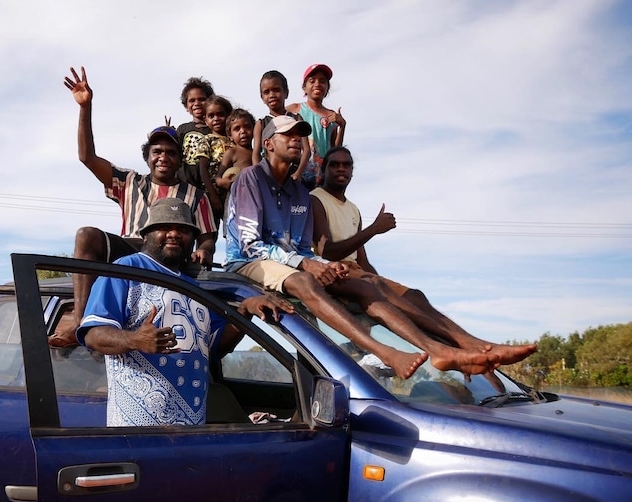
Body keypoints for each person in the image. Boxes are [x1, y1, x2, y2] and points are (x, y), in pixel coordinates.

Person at [226, 116, 503, 378]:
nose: (296, 140)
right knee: (305, 281)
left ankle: (438, 350)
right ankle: (384, 351)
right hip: (248, 262)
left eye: (300, 135)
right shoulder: (250, 179)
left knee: (365, 286)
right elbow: (250, 245)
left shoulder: (300, 193)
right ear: (268, 143)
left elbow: (301, 248)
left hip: (289, 264)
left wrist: (324, 266)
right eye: (288, 134)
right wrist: (307, 264)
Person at [310, 146, 537, 366]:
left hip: (356, 271)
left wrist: (386, 284)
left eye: (346, 165)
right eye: (335, 165)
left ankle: (466, 346)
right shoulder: (316, 199)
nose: (341, 169)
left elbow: (362, 260)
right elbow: (326, 251)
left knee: (415, 296)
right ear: (324, 170)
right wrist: (373, 229)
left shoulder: (353, 209)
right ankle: (465, 345)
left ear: (352, 171)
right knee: (380, 289)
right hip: (334, 270)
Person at [78, 198, 292, 426]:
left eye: (183, 230)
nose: (174, 234)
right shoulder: (126, 271)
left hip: (191, 432)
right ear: (146, 235)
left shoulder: (196, 288)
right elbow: (93, 334)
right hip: (137, 432)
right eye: (165, 227)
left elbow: (216, 346)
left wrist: (244, 311)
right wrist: (134, 340)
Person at [49, 66, 218, 348]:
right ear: (147, 157)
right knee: (86, 236)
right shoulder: (129, 182)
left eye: (170, 152)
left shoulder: (194, 195)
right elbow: (87, 157)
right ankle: (81, 321)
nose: (163, 156)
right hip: (132, 254)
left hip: (169, 257)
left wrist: (204, 249)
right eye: (157, 151)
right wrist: (85, 108)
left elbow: (208, 236)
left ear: (179, 159)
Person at [286, 64, 345, 190]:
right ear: (304, 87)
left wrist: (342, 126)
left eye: (322, 81)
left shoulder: (331, 116)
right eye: (312, 81)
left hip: (322, 177)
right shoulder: (295, 109)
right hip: (297, 173)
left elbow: (336, 149)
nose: (317, 84)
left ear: (327, 88)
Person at [252, 70, 309, 181]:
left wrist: (298, 173)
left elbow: (306, 149)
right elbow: (256, 153)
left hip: (293, 174)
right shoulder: (261, 124)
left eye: (276, 90)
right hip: (270, 174)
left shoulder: (296, 118)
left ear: (286, 93)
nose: (272, 95)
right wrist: (260, 176)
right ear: (262, 97)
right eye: (266, 92)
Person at [176, 76, 214, 192]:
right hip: (184, 186)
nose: (197, 103)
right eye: (192, 100)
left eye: (201, 99)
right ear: (186, 106)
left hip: (209, 188)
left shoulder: (215, 130)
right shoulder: (183, 129)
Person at [216, 108, 256, 191]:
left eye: (247, 127)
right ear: (230, 136)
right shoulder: (232, 153)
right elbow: (218, 179)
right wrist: (225, 182)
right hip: (237, 196)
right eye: (237, 129)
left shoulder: (257, 152)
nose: (243, 131)